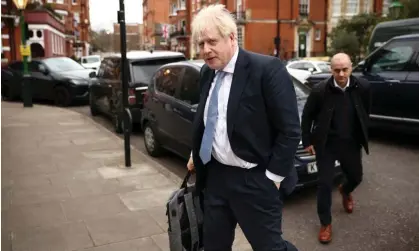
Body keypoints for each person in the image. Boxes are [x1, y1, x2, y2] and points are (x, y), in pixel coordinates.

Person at [186, 4, 301, 251]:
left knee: (270, 247)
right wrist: (196, 153)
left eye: (211, 42)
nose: (205, 50)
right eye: (200, 44)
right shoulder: (208, 72)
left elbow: (290, 130)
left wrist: (273, 178)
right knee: (213, 246)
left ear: (231, 37)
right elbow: (210, 119)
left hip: (255, 180)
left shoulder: (266, 69)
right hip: (216, 178)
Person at [301, 53, 371, 244]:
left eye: (345, 69)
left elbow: (365, 111)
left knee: (356, 177)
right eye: (336, 70)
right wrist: (307, 141)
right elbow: (307, 117)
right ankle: (325, 223)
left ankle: (345, 190)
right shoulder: (320, 91)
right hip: (326, 144)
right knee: (324, 184)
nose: (341, 74)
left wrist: (364, 131)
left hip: (350, 142)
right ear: (331, 70)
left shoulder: (362, 87)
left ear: (351, 67)